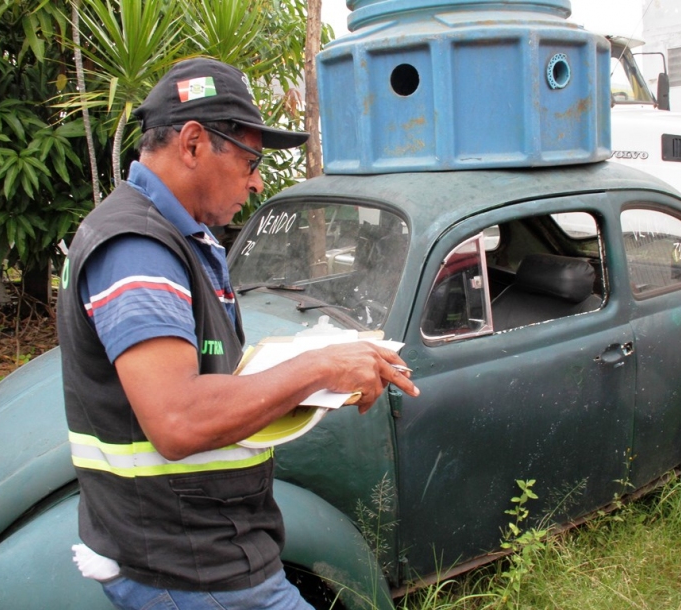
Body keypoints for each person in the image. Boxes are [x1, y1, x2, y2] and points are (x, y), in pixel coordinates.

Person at [57, 57, 419, 610]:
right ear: (195, 144)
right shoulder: (137, 248)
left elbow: (201, 374)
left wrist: (313, 369)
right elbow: (177, 419)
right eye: (251, 159)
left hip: (200, 546)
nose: (256, 181)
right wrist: (320, 368)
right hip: (188, 565)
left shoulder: (181, 235)